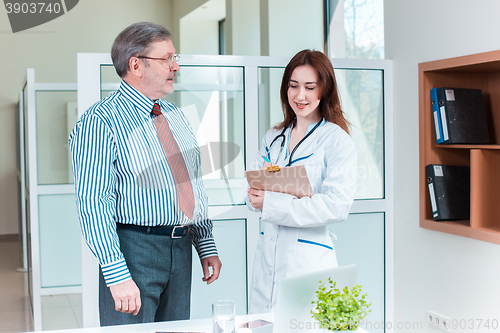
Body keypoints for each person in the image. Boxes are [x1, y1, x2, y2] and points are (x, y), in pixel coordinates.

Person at [69, 22, 222, 326]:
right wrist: (116, 273)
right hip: (134, 251)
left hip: (180, 248)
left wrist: (205, 244)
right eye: (167, 58)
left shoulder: (176, 116)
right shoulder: (100, 121)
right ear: (136, 65)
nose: (175, 66)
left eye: (175, 58)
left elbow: (190, 185)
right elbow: (93, 202)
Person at [245, 49, 357, 314]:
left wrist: (272, 203)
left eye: (310, 87)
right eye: (293, 86)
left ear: (324, 90)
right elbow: (251, 188)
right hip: (268, 259)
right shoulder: (273, 137)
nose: (300, 96)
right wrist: (261, 199)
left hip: (308, 260)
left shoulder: (336, 141)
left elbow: (336, 205)